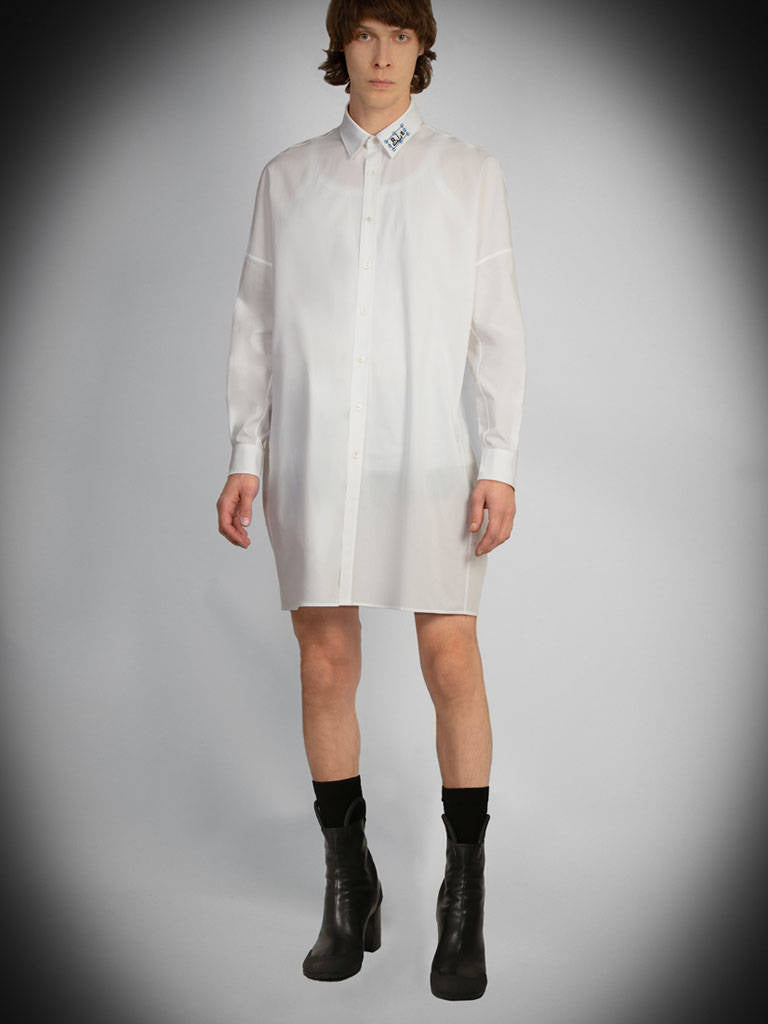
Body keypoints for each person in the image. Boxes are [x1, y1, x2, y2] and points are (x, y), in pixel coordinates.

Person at [216, 0, 526, 1001]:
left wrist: (499, 459)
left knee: (451, 657)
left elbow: (496, 326)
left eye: (400, 34)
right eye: (365, 34)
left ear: (422, 48)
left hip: (427, 456)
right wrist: (247, 451)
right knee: (325, 661)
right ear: (339, 47)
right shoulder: (287, 178)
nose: (382, 54)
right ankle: (349, 884)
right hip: (313, 456)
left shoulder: (469, 173)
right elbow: (257, 323)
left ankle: (463, 900)